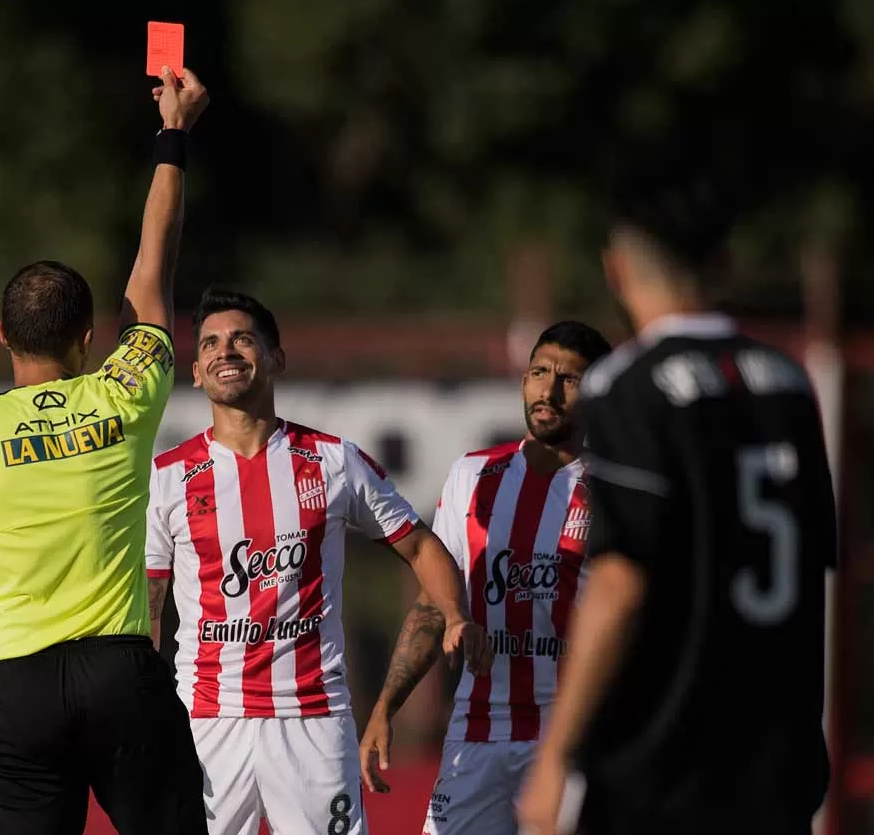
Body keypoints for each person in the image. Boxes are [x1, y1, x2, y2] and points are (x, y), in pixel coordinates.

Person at [0, 66, 211, 835]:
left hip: (15, 680)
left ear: (1, 336)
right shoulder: (122, 395)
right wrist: (172, 137)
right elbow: (152, 273)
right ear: (89, 339)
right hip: (120, 674)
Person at [516, 175, 838, 835]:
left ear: (617, 270)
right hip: (779, 760)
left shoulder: (629, 387)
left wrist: (555, 756)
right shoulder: (789, 382)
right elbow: (819, 562)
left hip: (665, 763)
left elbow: (621, 579)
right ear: (724, 264)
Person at [144, 287, 493, 835]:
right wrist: (142, 709)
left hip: (313, 720)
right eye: (210, 342)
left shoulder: (333, 461)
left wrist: (454, 614)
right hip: (207, 724)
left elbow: (421, 545)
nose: (225, 351)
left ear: (276, 358)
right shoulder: (166, 477)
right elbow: (149, 605)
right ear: (195, 371)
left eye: (242, 338)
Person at [356, 320, 613, 835]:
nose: (549, 388)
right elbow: (433, 605)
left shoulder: (614, 487)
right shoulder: (473, 477)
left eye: (569, 378)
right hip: (478, 737)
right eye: (538, 371)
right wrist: (387, 705)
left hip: (576, 738)